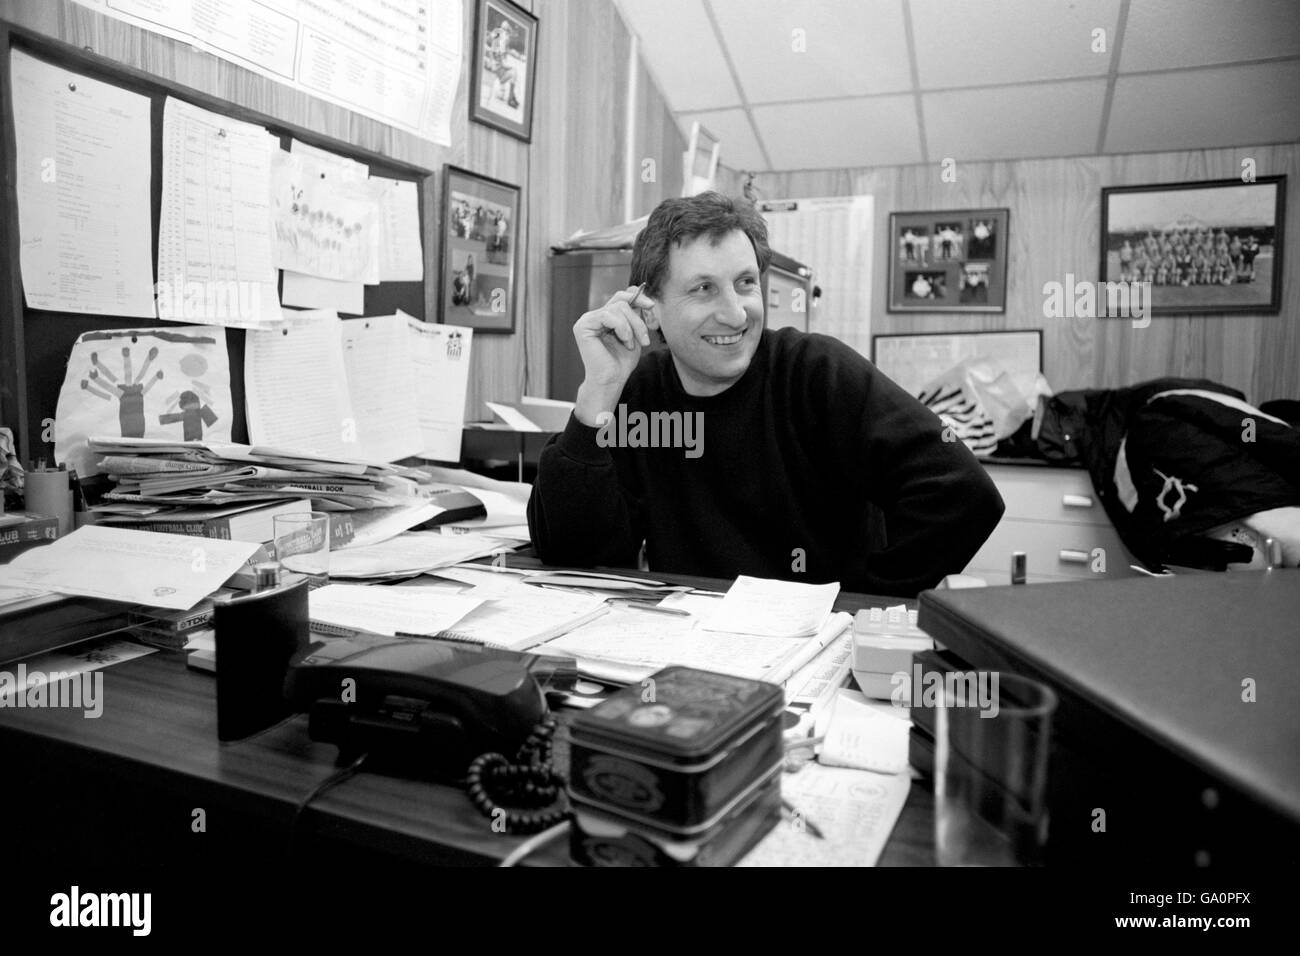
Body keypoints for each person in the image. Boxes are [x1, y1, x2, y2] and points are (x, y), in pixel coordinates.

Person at [526, 192, 1005, 597]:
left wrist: (860, 601)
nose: (735, 314)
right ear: (649, 309)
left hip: (820, 655)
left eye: (745, 283)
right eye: (703, 289)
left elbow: (963, 495)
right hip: (695, 651)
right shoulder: (638, 396)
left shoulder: (816, 373)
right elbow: (574, 557)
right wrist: (598, 395)